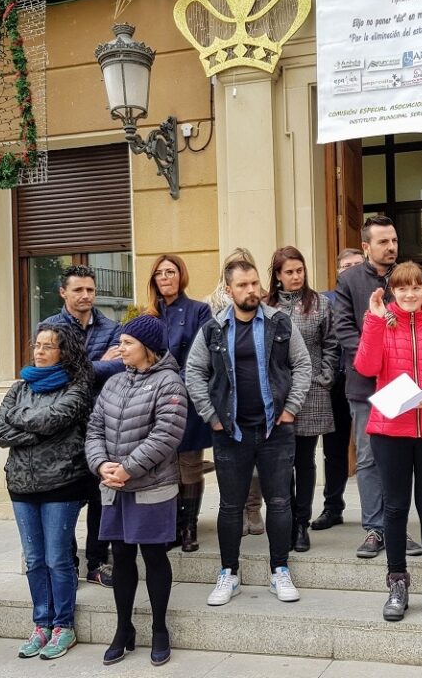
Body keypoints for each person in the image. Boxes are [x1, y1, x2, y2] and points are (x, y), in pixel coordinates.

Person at [186, 259, 312, 606]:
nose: (251, 290)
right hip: (230, 433)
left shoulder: (279, 322)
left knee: (280, 502)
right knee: (230, 506)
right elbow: (194, 371)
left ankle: (280, 570)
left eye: (254, 283)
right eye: (242, 285)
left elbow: (302, 364)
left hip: (275, 429)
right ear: (229, 291)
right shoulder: (213, 329)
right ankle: (229, 573)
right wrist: (211, 415)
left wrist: (291, 409)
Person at [354, 262, 422, 622]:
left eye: (416, 287)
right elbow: (366, 367)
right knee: (396, 507)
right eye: (402, 288)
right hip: (391, 430)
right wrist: (372, 321)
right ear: (392, 292)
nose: (409, 294)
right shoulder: (382, 322)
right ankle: (397, 583)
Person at [84, 314, 187, 666]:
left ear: (147, 348)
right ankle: (123, 629)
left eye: (127, 343)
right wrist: (101, 465)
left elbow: (166, 436)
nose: (120, 349)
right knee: (121, 556)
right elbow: (94, 428)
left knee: (155, 556)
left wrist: (127, 469)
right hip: (114, 486)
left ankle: (159, 629)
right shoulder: (114, 382)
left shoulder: (170, 383)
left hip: (151, 487)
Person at [0, 323, 93, 660]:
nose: (39, 351)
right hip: (20, 484)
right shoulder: (20, 388)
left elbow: (53, 420)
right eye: (37, 344)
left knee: (57, 559)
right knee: (34, 560)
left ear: (63, 351)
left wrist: (20, 421)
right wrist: (32, 426)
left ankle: (64, 625)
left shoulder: (76, 387)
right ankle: (41, 624)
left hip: (62, 483)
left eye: (49, 346)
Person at [335, 216, 422, 559]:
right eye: (384, 242)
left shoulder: (409, 277)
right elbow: (343, 329)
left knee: (399, 460)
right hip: (365, 385)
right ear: (366, 246)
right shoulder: (349, 280)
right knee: (369, 459)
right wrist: (374, 359)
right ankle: (375, 529)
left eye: (395, 241)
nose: (391, 247)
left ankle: (397, 527)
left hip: (404, 385)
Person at [42, 264, 123, 588]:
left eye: (90, 289)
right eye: (78, 290)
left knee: (99, 497)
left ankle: (97, 562)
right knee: (65, 499)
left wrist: (85, 365)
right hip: (63, 428)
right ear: (64, 292)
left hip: (99, 425)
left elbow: (119, 367)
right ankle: (68, 564)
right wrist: (97, 362)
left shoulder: (112, 327)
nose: (86, 295)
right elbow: (56, 371)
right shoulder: (49, 327)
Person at [266, 246, 339, 552]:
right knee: (282, 461)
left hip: (311, 393)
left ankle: (301, 524)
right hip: (276, 394)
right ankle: (283, 519)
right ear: (278, 276)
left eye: (300, 270)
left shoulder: (319, 303)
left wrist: (324, 378)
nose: (296, 277)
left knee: (304, 460)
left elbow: (332, 344)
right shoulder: (266, 307)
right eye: (289, 272)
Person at [146, 254, 213, 552]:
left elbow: (203, 354)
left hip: (187, 397)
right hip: (153, 402)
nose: (165, 278)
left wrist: (174, 384)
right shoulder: (147, 315)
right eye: (159, 273)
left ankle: (189, 527)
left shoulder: (200, 310)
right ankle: (170, 525)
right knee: (165, 465)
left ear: (180, 275)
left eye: (170, 272)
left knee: (189, 466)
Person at [205, 248, 266, 537]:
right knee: (231, 464)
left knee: (256, 465)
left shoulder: (261, 301)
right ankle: (238, 508)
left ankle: (253, 507)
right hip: (226, 398)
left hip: (256, 401)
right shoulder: (212, 304)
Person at [313, 247, 364, 531]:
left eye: (358, 264)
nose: (353, 269)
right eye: (347, 265)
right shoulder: (323, 300)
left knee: (374, 449)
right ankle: (332, 507)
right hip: (336, 381)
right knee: (334, 448)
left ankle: (380, 510)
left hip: (369, 381)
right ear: (338, 271)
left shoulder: (375, 294)